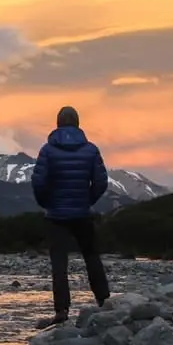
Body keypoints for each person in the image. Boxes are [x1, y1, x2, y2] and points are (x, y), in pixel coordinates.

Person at [30, 106, 111, 327]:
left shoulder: (47, 150)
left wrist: (46, 202)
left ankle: (62, 311)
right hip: (82, 213)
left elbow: (38, 181)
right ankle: (104, 302)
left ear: (58, 123)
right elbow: (102, 182)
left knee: (59, 264)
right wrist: (88, 200)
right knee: (92, 257)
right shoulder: (91, 150)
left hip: (56, 215)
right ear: (77, 123)